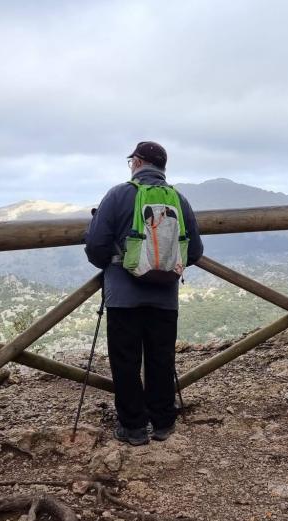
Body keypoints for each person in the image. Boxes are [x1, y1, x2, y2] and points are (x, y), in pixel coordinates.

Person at [85, 141, 204, 446]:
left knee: (125, 360)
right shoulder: (179, 199)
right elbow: (195, 251)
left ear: (137, 163)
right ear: (162, 168)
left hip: (123, 295)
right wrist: (164, 268)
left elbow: (96, 245)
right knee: (161, 359)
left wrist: (116, 264)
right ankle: (163, 422)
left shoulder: (118, 195)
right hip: (165, 296)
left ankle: (134, 428)